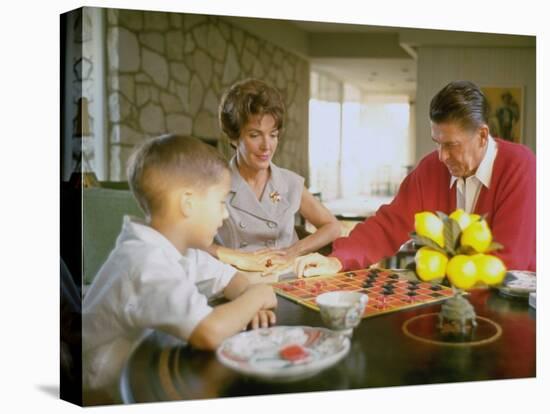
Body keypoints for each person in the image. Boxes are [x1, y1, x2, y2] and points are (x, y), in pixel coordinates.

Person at [82, 135, 278, 403]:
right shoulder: (145, 262)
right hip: (103, 391)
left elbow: (229, 278)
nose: (225, 214)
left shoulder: (179, 250)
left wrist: (249, 300)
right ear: (188, 203)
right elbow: (207, 332)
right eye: (221, 202)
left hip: (146, 363)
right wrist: (258, 296)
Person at [294, 80, 536, 277]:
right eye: (438, 143)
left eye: (451, 145)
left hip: (516, 304)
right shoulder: (431, 168)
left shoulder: (520, 165)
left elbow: (509, 261)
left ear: (482, 136)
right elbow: (387, 225)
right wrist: (337, 260)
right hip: (451, 298)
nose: (442, 156)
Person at [207, 79, 341, 274]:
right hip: (235, 281)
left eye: (273, 134)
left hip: (289, 279)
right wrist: (238, 258)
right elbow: (189, 242)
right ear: (234, 137)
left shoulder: (289, 182)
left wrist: (293, 251)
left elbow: (333, 227)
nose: (266, 145)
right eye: (255, 135)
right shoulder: (214, 184)